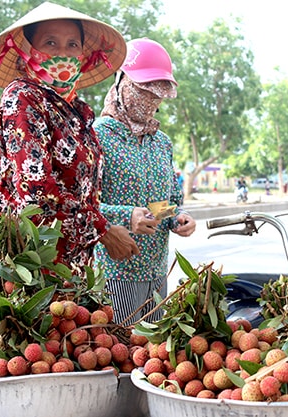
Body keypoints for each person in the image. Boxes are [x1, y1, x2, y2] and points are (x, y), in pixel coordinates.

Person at [0, 2, 138, 276]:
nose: (63, 53)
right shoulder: (23, 98)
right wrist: (104, 231)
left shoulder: (76, 111)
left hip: (75, 269)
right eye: (50, 42)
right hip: (34, 269)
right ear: (27, 50)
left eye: (72, 44)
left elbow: (84, 194)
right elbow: (36, 191)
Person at [94, 38, 196, 325]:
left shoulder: (161, 143)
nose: (151, 101)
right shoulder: (97, 138)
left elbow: (165, 204)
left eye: (158, 95)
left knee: (153, 356)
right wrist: (127, 216)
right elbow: (80, 207)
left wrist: (177, 217)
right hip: (115, 274)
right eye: (143, 91)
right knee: (120, 354)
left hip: (156, 274)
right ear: (120, 82)